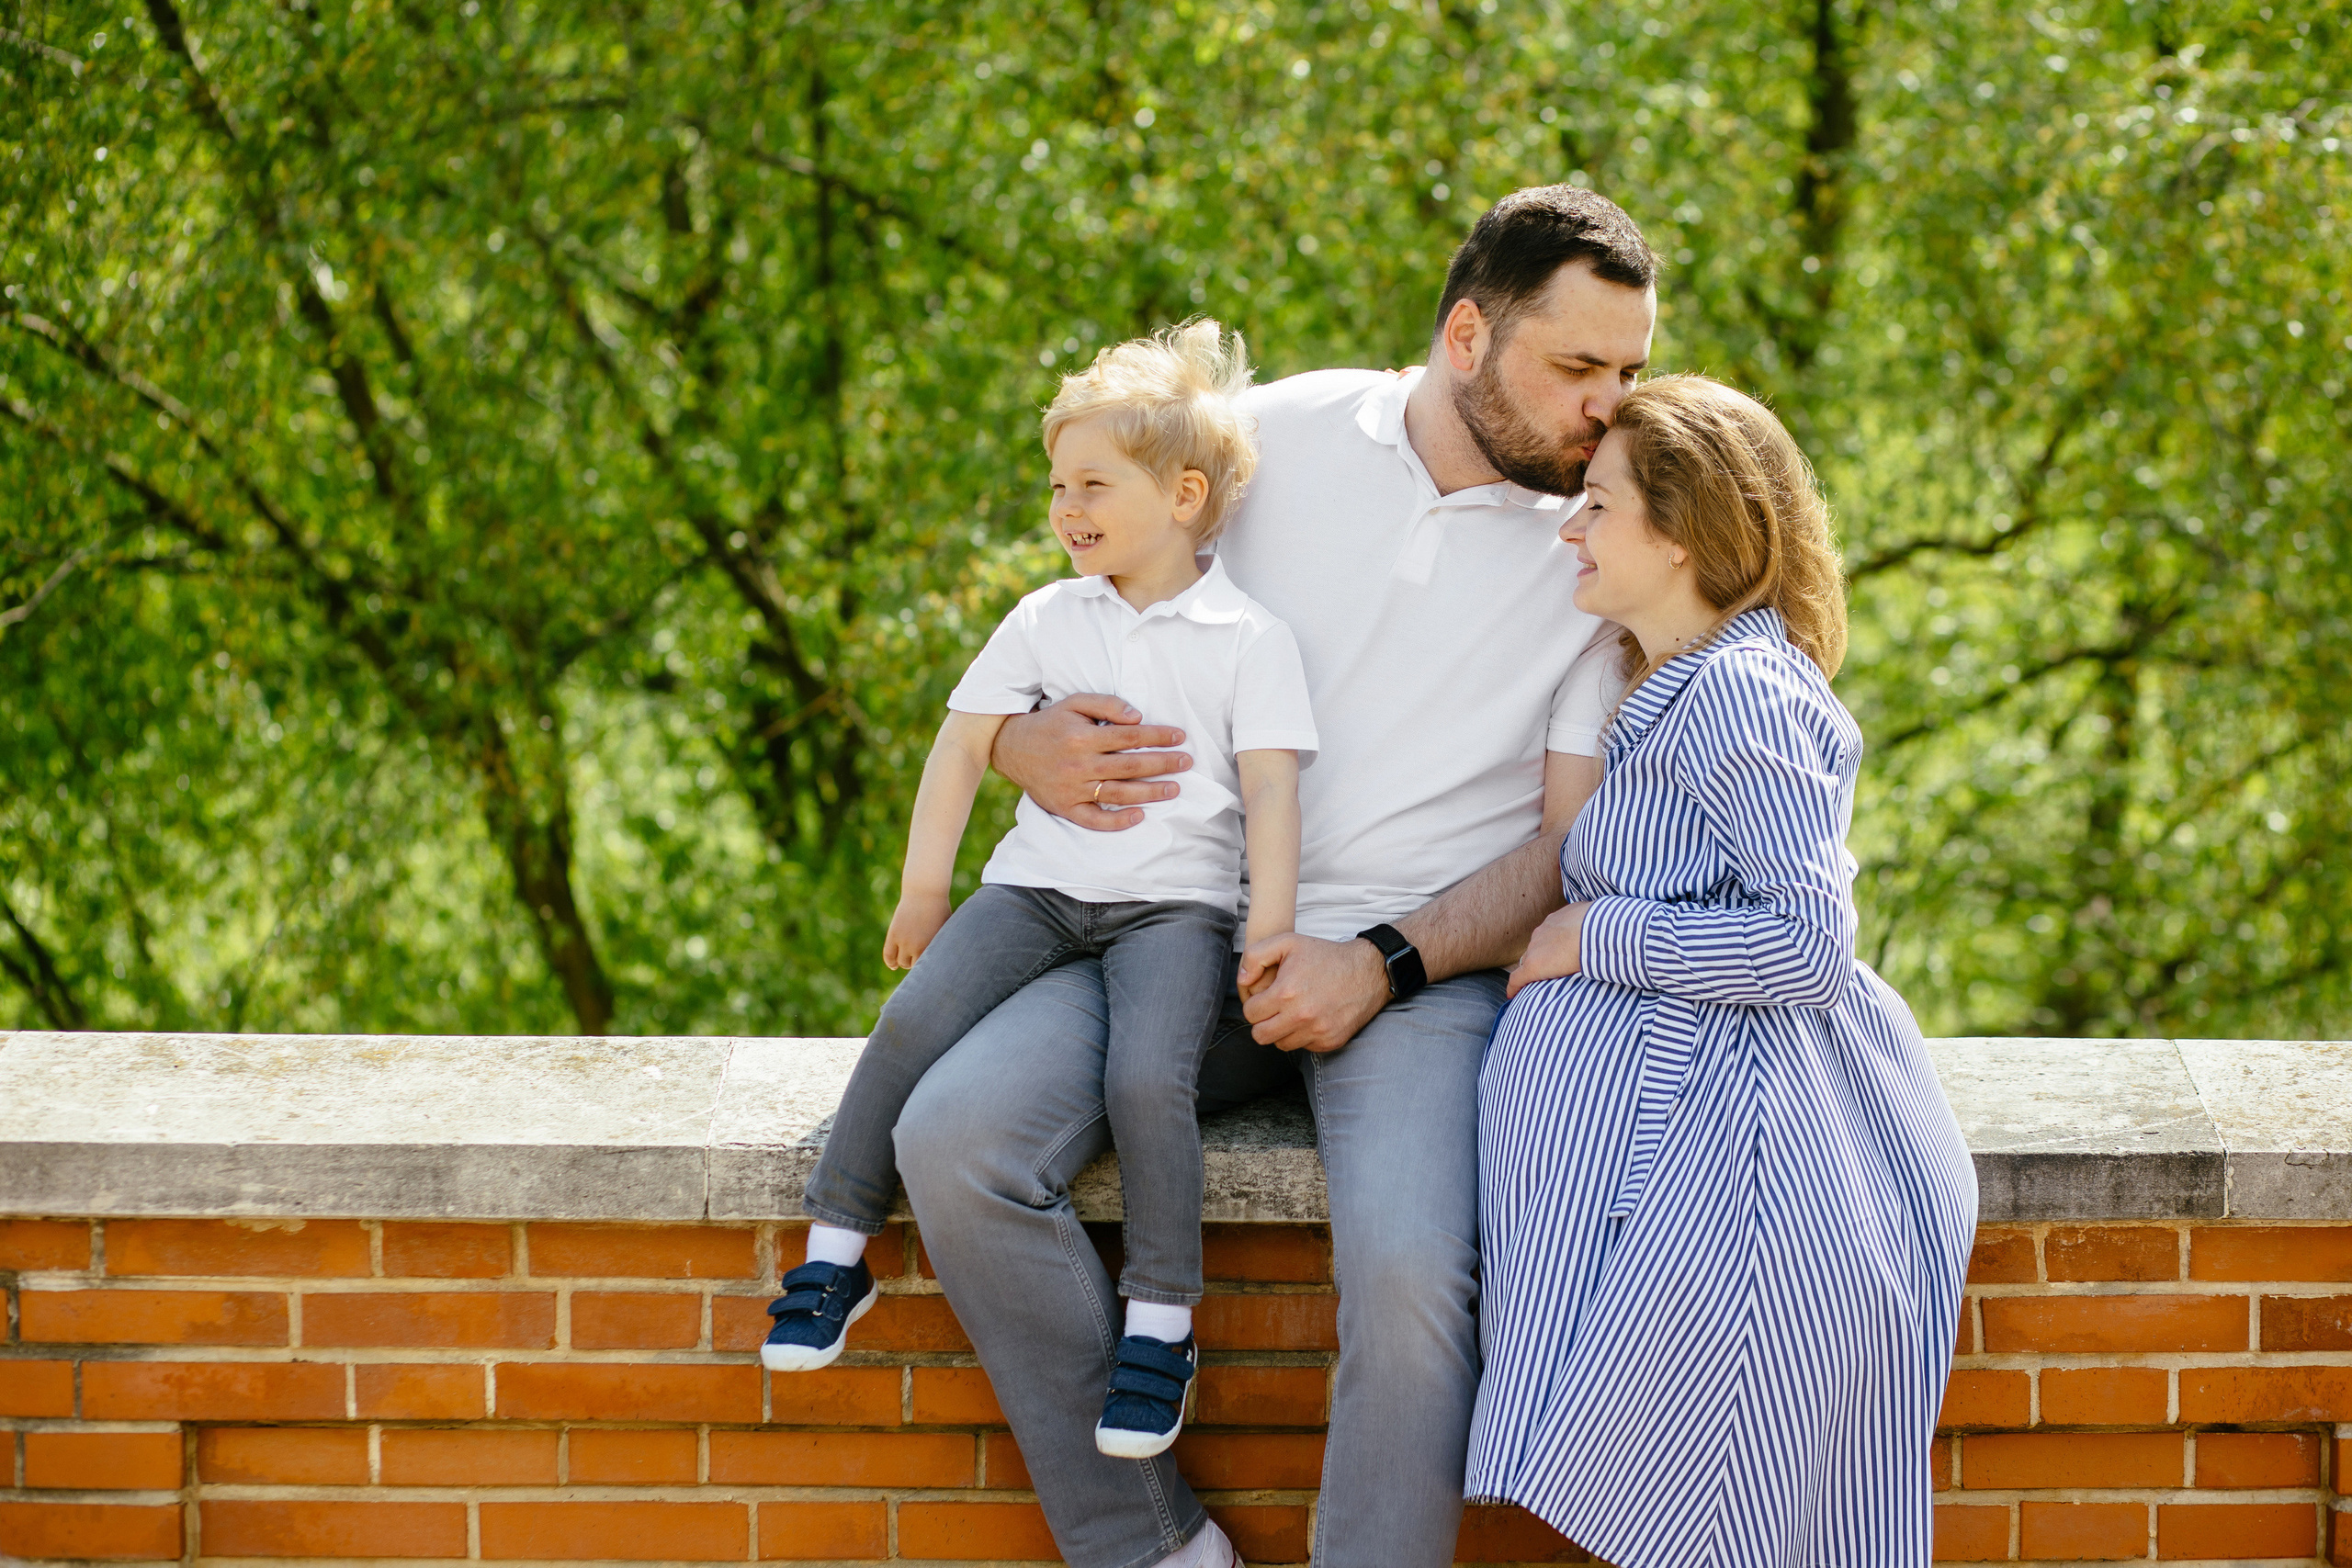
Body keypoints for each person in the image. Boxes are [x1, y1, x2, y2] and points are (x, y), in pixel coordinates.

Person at [890, 186, 1659, 1568]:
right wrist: (1020, 741)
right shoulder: (1275, 441)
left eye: (1631, 372)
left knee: (1418, 1277)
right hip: (1174, 924)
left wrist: (1379, 960)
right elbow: (1079, 618)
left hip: (1422, 976)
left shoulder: (1604, 534)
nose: (1610, 406)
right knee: (953, 1136)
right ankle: (1153, 1546)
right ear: (1469, 334)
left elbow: (1569, 844)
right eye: (1580, 368)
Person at [765, 321, 1316, 1463]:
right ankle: (833, 1248)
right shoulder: (1045, 617)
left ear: (1183, 493)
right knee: (912, 1020)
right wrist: (927, 891)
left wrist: (1269, 928)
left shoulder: (1248, 639)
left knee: (1143, 1077)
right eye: (1057, 483)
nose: (1067, 507)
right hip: (1037, 893)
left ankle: (1161, 1324)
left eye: (1094, 484)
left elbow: (1270, 796)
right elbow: (960, 749)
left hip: (1176, 913)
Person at [1465, 374, 1977, 1565]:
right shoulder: (1677, 685)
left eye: (1597, 504)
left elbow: (1807, 944)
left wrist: (1596, 937)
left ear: (1683, 529)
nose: (1570, 527)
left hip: (1740, 1160)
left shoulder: (1743, 696)